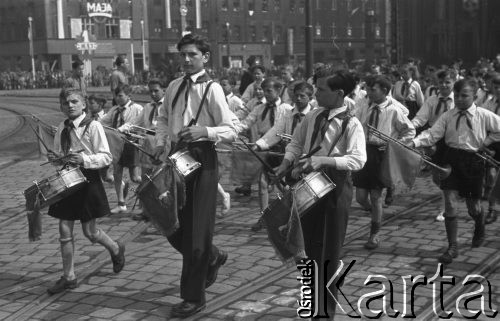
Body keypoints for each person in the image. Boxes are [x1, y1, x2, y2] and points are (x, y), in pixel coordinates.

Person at [153, 33, 237, 318]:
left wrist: (206, 131)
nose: (187, 60)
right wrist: (160, 144)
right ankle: (214, 256)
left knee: (197, 230)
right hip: (176, 157)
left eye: (192, 55)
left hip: (202, 159)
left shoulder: (212, 89)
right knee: (172, 224)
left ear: (205, 57)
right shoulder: (174, 86)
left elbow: (232, 129)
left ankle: (193, 297)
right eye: (183, 55)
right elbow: (162, 119)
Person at [275, 70, 366, 318]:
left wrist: (323, 160)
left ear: (339, 94)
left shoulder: (351, 123)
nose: (316, 93)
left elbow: (358, 160)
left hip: (335, 187)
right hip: (308, 183)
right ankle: (311, 299)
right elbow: (296, 142)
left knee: (329, 250)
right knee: (307, 246)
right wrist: (286, 162)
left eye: (322, 89)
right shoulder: (314, 115)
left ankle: (324, 311)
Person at [411, 78, 500, 264]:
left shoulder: (484, 115)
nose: (459, 99)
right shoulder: (448, 116)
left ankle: (480, 222)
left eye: (464, 95)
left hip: (473, 161)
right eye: (457, 95)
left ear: (474, 96)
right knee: (450, 201)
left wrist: (488, 141)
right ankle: (452, 246)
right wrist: (415, 142)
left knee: (472, 207)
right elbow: (432, 134)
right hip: (451, 159)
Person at [46, 88, 125, 295]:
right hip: (67, 180)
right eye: (65, 103)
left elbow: (106, 157)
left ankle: (115, 248)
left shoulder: (94, 126)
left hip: (88, 180)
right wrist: (56, 159)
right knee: (64, 228)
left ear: (83, 105)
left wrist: (85, 159)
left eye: (74, 101)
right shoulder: (62, 126)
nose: (69, 105)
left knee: (90, 232)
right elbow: (59, 155)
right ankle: (69, 276)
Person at [354, 75, 415, 250]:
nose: (368, 92)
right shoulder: (364, 105)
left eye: (373, 90)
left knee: (375, 197)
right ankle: (375, 212)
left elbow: (410, 130)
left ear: (385, 91)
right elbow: (355, 122)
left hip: (382, 154)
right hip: (364, 152)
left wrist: (396, 145)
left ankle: (374, 234)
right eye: (368, 89)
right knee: (360, 198)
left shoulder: (394, 109)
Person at [250, 81, 315, 232]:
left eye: (302, 96)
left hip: (306, 160)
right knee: (287, 190)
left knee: (302, 195)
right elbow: (275, 131)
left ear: (310, 98)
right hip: (287, 157)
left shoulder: (313, 115)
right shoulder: (288, 114)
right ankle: (275, 220)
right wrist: (259, 144)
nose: (298, 99)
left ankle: (299, 225)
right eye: (296, 95)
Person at [234, 77, 293, 206]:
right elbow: (246, 123)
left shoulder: (287, 109)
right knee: (263, 182)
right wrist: (231, 130)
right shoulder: (259, 108)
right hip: (263, 148)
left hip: (281, 149)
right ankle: (263, 215)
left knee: (281, 183)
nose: (266, 94)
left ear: (278, 90)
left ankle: (291, 209)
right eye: (264, 91)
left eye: (269, 91)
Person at [412, 69, 456, 222]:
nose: (443, 85)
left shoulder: (459, 100)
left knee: (446, 177)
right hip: (434, 140)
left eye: (447, 82)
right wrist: (409, 127)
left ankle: (445, 208)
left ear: (454, 83)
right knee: (436, 177)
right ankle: (450, 195)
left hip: (452, 141)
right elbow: (420, 118)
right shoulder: (431, 100)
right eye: (440, 82)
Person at [100, 84, 143, 214]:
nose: (117, 98)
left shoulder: (137, 108)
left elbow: (136, 124)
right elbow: (104, 121)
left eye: (120, 96)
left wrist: (123, 129)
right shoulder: (114, 110)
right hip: (116, 146)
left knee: (135, 177)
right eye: (116, 96)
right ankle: (121, 203)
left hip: (130, 144)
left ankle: (150, 185)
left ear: (129, 96)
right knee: (117, 173)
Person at [132, 78, 165, 221]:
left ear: (163, 90)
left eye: (156, 90)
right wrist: (124, 128)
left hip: (162, 143)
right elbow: (136, 123)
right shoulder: (147, 107)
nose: (153, 94)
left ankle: (163, 210)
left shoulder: (168, 107)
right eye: (150, 91)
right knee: (145, 179)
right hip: (147, 143)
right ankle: (146, 211)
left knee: (161, 179)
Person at [481, 73, 500, 224]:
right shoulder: (490, 102)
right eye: (496, 87)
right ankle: (492, 210)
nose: (498, 89)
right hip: (493, 142)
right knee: (492, 174)